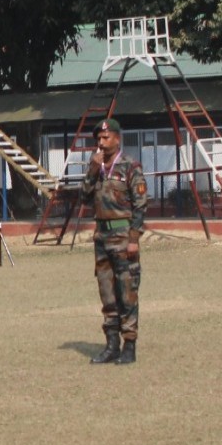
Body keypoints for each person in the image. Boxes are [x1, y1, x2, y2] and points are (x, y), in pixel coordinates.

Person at [80, 117, 149, 365]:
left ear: (117, 139)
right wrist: (92, 170)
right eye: (98, 138)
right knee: (107, 293)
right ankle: (111, 345)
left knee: (127, 292)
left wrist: (134, 239)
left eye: (105, 137)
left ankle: (129, 344)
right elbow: (84, 198)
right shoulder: (96, 167)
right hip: (102, 237)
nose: (101, 141)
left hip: (123, 237)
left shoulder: (130, 166)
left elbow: (140, 206)